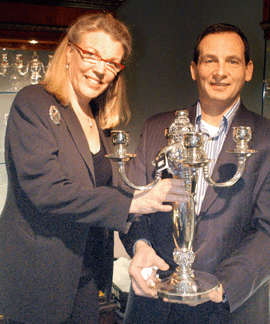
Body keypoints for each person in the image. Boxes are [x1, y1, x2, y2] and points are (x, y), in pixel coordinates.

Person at [0, 13, 189, 324]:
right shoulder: (33, 102)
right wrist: (135, 201)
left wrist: (139, 247)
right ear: (70, 53)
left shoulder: (97, 121)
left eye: (113, 63)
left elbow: (111, 197)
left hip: (86, 277)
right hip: (39, 281)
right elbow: (47, 190)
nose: (101, 69)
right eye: (93, 55)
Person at [120, 23, 270, 323]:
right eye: (209, 60)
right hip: (154, 304)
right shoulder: (155, 129)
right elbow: (134, 203)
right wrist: (140, 246)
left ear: (248, 69)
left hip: (228, 309)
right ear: (194, 69)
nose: (220, 72)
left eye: (232, 61)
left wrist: (222, 287)